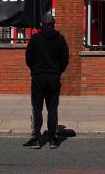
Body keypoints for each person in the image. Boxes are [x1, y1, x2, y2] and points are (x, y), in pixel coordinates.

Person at [24, 14, 69, 149]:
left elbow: (28, 58)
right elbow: (65, 59)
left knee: (37, 108)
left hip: (38, 77)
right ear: (53, 24)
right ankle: (53, 139)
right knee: (52, 108)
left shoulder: (35, 39)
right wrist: (58, 71)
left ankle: (36, 138)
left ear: (42, 25)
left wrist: (35, 69)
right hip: (54, 77)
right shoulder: (60, 39)